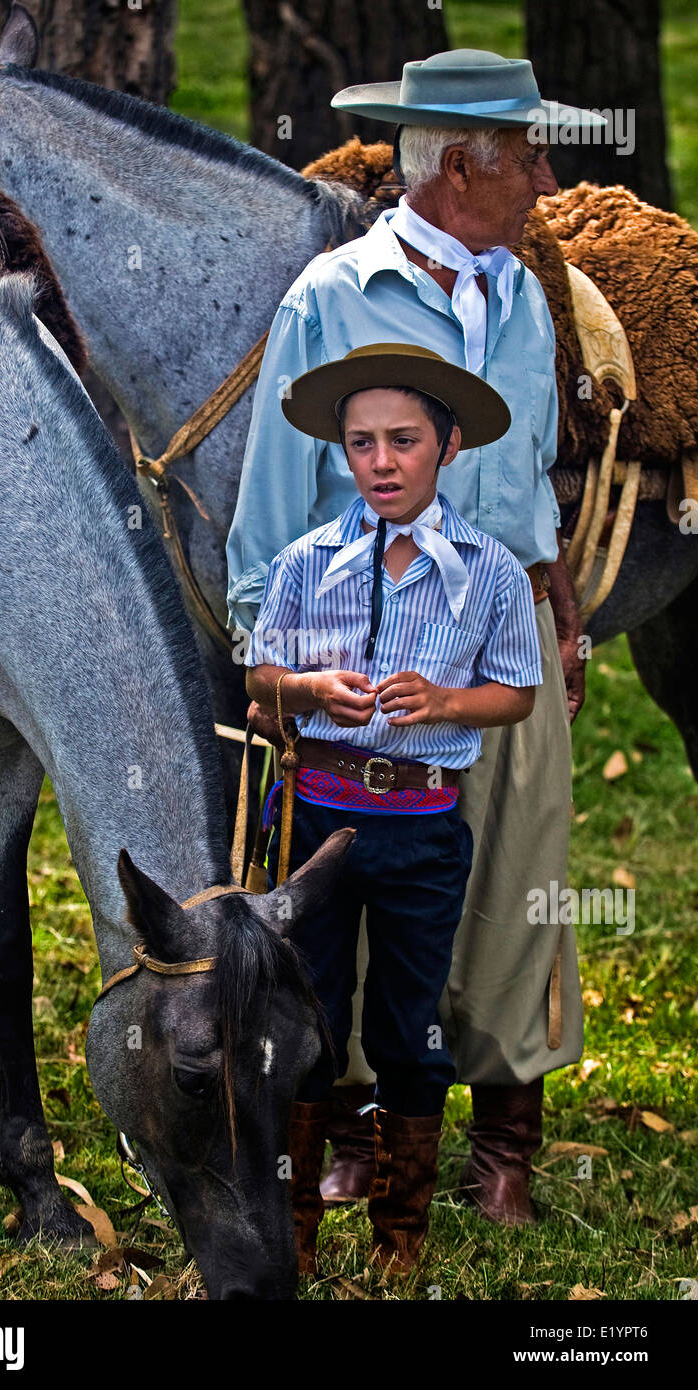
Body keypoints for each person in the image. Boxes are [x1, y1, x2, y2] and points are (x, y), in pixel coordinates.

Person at [228, 50, 604, 1225]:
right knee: (349, 885)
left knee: (515, 880)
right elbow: (270, 507)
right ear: (459, 167)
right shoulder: (332, 299)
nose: (546, 179)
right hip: (365, 648)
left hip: (506, 638)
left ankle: (502, 1140)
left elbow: (529, 480)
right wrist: (276, 681)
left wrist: (556, 609)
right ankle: (348, 1126)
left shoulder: (528, 296)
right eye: (529, 155)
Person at [245, 342, 541, 1272]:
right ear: (341, 452)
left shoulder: (490, 571)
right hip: (316, 824)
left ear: (447, 447)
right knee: (307, 1020)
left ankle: (399, 1234)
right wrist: (303, 688)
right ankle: (290, 1223)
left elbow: (518, 691)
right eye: (360, 442)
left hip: (421, 829)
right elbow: (257, 678)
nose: (380, 462)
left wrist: (448, 703)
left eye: (402, 440)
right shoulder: (303, 563)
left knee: (408, 1022)